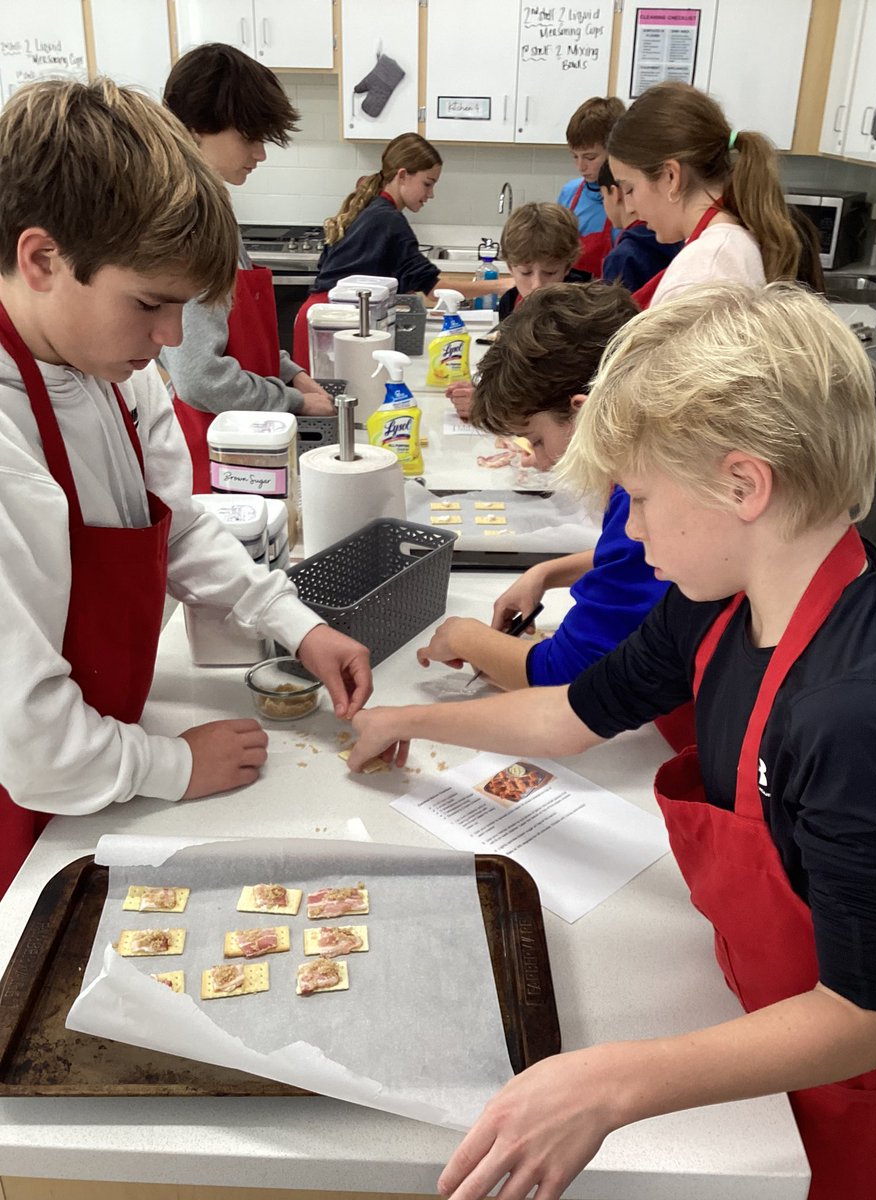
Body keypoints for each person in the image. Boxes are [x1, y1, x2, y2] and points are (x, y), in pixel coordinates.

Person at [348, 283, 876, 1200]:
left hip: (846, 1092)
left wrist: (610, 1083)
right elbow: (570, 711)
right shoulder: (713, 604)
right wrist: (408, 721)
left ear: (742, 483)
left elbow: (869, 1012)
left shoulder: (855, 714)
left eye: (638, 497)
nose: (629, 531)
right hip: (739, 1010)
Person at [0, 78, 372, 898]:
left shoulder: (110, 371)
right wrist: (173, 764)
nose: (172, 339)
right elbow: (34, 746)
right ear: (42, 260)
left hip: (102, 764)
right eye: (150, 304)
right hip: (29, 801)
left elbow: (179, 526)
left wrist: (294, 623)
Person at [425, 280, 671, 694]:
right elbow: (630, 559)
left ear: (585, 410)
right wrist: (547, 572)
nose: (539, 460)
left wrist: (464, 637)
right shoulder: (645, 466)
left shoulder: (650, 496)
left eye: (537, 440)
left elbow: (568, 673)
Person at [159, 43, 333, 493]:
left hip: (246, 446)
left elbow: (231, 336)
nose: (260, 154)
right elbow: (199, 376)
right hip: (216, 460)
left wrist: (288, 370)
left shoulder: (212, 211)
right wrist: (293, 401)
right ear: (197, 128)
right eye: (249, 137)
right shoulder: (188, 221)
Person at [292, 133, 505, 368]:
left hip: (325, 317)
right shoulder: (388, 219)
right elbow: (434, 289)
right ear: (402, 175)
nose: (430, 194)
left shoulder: (373, 209)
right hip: (332, 322)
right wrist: (502, 285)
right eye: (428, 183)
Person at [607, 81, 800, 308]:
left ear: (671, 177)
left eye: (629, 188)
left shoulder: (703, 272)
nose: (629, 207)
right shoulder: (724, 247)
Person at [445, 203, 589, 423]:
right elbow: (514, 370)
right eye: (525, 272)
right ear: (510, 267)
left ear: (568, 267)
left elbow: (564, 395)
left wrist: (491, 404)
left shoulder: (583, 312)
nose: (537, 285)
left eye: (550, 272)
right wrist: (484, 390)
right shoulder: (511, 302)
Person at [557, 96, 626, 277]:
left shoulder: (629, 200)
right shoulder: (569, 193)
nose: (581, 167)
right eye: (574, 156)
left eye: (590, 158)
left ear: (614, 151)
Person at [596, 158, 681, 293]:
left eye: (602, 197)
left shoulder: (621, 257)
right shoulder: (678, 239)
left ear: (615, 194)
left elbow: (613, 313)